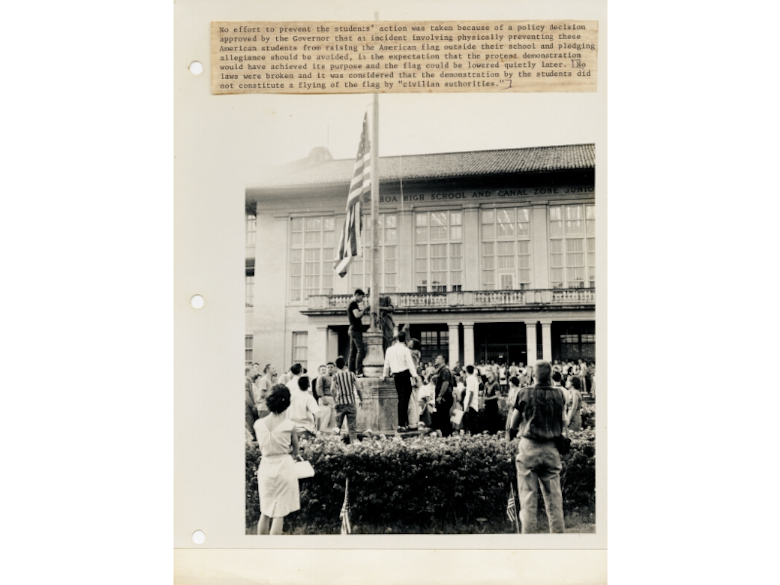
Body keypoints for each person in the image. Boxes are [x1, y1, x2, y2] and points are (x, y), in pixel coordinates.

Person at [506, 360, 567, 533]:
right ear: (550, 376)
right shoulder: (559, 394)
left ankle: (529, 541)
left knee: (528, 499)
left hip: (529, 447)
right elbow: (564, 421)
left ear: (533, 375)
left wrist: (510, 435)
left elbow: (514, 422)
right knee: (555, 499)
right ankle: (558, 539)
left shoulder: (524, 392)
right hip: (552, 448)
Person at [254, 384, 300, 535]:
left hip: (266, 466)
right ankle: (274, 548)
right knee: (279, 512)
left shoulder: (258, 424)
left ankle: (261, 547)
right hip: (284, 467)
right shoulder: (289, 425)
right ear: (286, 403)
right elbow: (295, 450)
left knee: (265, 510)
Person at [382, 330, 420, 433]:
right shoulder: (405, 350)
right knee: (405, 400)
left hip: (396, 376)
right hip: (405, 374)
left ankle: (401, 424)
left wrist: (384, 375)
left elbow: (386, 364)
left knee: (401, 400)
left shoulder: (389, 350)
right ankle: (402, 424)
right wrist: (415, 376)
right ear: (404, 339)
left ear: (397, 339)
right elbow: (410, 365)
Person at [331, 356, 363, 444]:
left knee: (337, 426)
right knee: (352, 427)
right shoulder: (351, 374)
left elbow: (332, 389)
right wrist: (361, 400)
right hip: (351, 402)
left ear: (336, 366)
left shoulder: (335, 376)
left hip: (340, 402)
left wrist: (335, 401)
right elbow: (358, 388)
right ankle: (353, 445)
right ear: (345, 364)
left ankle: (335, 445)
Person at [346, 289, 370, 377]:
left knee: (353, 351)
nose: (362, 299)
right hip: (356, 330)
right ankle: (359, 371)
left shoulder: (350, 303)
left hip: (352, 329)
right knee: (360, 350)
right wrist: (365, 309)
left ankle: (351, 371)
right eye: (362, 297)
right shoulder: (353, 303)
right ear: (357, 295)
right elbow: (357, 315)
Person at [431, 355, 454, 437]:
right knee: (442, 417)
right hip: (442, 397)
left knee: (444, 417)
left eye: (438, 358)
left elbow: (445, 383)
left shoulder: (445, 370)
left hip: (444, 397)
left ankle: (446, 435)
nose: (436, 359)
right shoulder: (440, 371)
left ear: (443, 360)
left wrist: (440, 396)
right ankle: (447, 435)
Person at [316, 363, 336, 432]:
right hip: (325, 398)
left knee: (333, 418)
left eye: (331, 367)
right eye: (328, 367)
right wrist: (323, 399)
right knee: (325, 418)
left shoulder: (336, 377)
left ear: (334, 368)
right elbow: (319, 389)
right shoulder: (322, 377)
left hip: (334, 399)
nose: (330, 369)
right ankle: (322, 433)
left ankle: (332, 436)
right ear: (326, 368)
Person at [463, 365, 481, 435]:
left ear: (466, 371)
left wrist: (467, 405)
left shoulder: (469, 378)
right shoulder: (474, 378)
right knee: (473, 423)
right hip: (473, 403)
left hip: (470, 404)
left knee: (471, 424)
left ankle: (473, 437)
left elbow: (471, 393)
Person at [483, 369, 500, 434]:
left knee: (493, 418)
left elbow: (497, 395)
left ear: (492, 375)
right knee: (487, 417)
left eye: (489, 374)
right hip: (487, 403)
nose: (487, 375)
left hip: (493, 403)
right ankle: (489, 430)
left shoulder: (496, 384)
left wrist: (488, 398)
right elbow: (485, 392)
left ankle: (494, 432)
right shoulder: (486, 383)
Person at [246, 367, 258, 439]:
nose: (254, 373)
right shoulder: (246, 382)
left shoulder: (249, 382)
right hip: (248, 410)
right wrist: (253, 406)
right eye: (252, 371)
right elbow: (247, 397)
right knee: (250, 432)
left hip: (250, 410)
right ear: (247, 372)